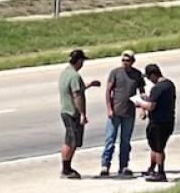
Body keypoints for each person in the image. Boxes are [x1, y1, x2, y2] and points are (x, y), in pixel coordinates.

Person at [99, 50, 145, 178]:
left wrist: (142, 108)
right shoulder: (115, 73)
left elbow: (141, 92)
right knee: (110, 139)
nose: (125, 63)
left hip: (129, 112)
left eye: (128, 60)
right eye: (123, 60)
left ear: (132, 61)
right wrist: (109, 108)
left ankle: (124, 165)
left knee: (126, 141)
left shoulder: (137, 74)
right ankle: (105, 165)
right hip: (115, 112)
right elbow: (108, 91)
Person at [58, 48, 101, 179]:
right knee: (71, 141)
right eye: (82, 61)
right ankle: (66, 169)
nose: (83, 64)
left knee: (70, 139)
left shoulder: (66, 73)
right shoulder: (75, 76)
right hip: (72, 112)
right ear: (79, 61)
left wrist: (89, 85)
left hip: (65, 110)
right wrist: (82, 113)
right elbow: (77, 95)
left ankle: (67, 167)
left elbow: (75, 89)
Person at [136, 63, 175, 183]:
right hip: (168, 120)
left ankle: (161, 173)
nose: (148, 80)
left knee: (158, 148)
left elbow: (151, 106)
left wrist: (139, 103)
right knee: (154, 146)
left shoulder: (157, 88)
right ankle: (151, 169)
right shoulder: (169, 84)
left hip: (158, 122)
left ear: (153, 75)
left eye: (148, 77)